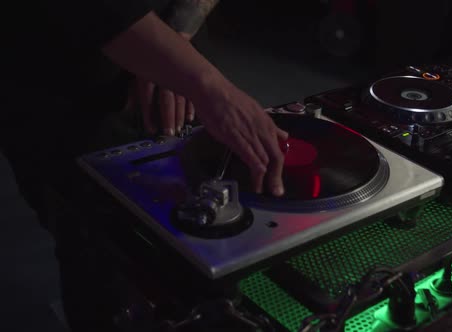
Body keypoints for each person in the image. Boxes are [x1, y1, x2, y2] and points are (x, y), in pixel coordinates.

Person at [0, 1, 287, 330]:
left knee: (198, 258)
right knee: (102, 264)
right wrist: (203, 82)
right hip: (64, 96)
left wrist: (174, 44)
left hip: (179, 66)